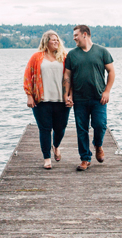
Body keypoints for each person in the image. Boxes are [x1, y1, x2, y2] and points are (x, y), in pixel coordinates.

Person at [63, 25, 115, 171]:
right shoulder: (72, 55)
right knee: (81, 129)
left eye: (76, 35)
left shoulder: (102, 51)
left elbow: (111, 72)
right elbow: (67, 75)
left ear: (85, 34)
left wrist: (107, 91)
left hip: (99, 98)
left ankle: (98, 145)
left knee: (100, 125)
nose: (74, 38)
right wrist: (66, 94)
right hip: (80, 99)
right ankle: (85, 158)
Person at [23, 30, 72, 169]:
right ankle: (47, 158)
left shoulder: (64, 57)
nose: (56, 42)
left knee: (60, 128)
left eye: (57, 40)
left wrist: (70, 96)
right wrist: (29, 95)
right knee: (45, 129)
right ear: (46, 42)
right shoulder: (37, 57)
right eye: (53, 40)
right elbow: (28, 77)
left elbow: (71, 77)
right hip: (41, 101)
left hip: (61, 100)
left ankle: (56, 146)